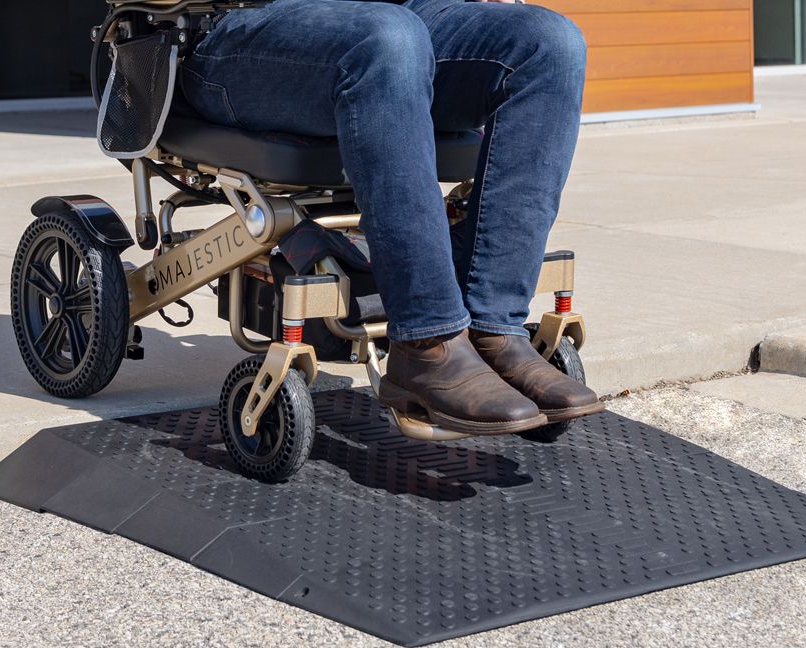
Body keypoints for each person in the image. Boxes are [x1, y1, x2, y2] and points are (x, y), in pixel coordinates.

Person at [182, 0, 603, 436]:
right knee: (388, 39)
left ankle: (493, 329)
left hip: (396, 19)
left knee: (550, 43)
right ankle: (428, 342)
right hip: (240, 31)